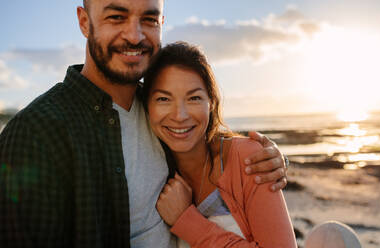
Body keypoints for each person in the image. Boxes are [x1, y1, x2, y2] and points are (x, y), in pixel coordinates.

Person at [0, 0, 288, 247]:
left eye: (149, 19)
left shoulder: (154, 110)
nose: (135, 35)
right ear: (85, 22)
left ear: (161, 23)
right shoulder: (36, 132)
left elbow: (206, 147)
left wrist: (268, 156)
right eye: (117, 16)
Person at [142, 41, 297, 247]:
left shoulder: (250, 160)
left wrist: (186, 221)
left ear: (211, 103)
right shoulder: (149, 166)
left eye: (194, 98)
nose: (179, 116)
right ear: (146, 106)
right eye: (163, 99)